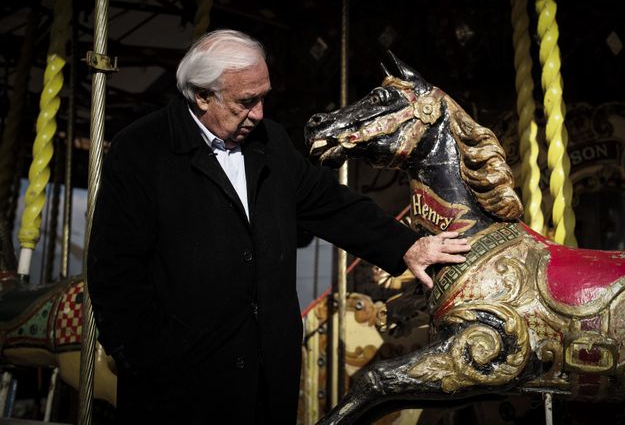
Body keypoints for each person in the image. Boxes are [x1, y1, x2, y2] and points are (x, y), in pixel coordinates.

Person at [87, 28, 470, 424]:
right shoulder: (143, 150)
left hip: (266, 381)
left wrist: (406, 246)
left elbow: (328, 203)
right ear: (202, 96)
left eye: (263, 98)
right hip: (180, 386)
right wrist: (150, 359)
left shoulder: (269, 142)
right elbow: (114, 272)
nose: (259, 114)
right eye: (246, 101)